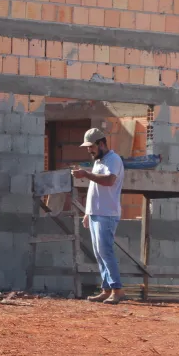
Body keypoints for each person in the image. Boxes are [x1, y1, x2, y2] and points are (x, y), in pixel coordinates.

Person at [71, 128, 126, 304]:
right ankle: (106, 289)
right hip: (96, 213)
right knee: (99, 253)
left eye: (92, 146)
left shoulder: (113, 159)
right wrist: (88, 212)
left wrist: (85, 174)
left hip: (107, 213)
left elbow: (109, 181)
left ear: (101, 143)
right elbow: (94, 190)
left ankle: (117, 289)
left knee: (106, 251)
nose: (89, 150)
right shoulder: (99, 161)